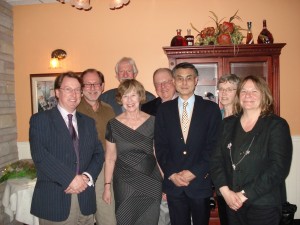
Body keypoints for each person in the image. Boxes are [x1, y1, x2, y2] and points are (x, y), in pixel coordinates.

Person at [210, 75, 293, 225]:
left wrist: (243, 195)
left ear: (264, 95)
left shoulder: (276, 125)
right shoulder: (227, 124)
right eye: (244, 91)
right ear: (238, 96)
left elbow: (278, 169)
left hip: (264, 204)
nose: (248, 96)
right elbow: (216, 160)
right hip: (231, 202)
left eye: (254, 91)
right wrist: (225, 192)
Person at [29, 72, 104, 225]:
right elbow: (40, 156)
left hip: (85, 198)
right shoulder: (40, 120)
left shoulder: (88, 122)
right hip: (55, 201)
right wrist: (70, 179)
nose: (74, 94)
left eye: (77, 89)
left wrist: (87, 177)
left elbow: (98, 153)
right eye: (68, 89)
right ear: (57, 92)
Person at [154, 62, 222, 225]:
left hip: (200, 182)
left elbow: (214, 146)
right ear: (174, 81)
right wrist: (171, 174)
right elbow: (161, 146)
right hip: (174, 184)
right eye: (180, 78)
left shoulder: (210, 109)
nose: (184, 83)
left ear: (196, 80)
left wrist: (194, 172)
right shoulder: (164, 110)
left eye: (189, 78)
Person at [102, 79, 162, 225]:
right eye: (125, 96)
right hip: (124, 182)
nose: (129, 100)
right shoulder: (113, 125)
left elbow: (158, 154)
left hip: (151, 180)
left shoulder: (154, 122)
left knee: (150, 220)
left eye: (133, 95)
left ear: (140, 96)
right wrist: (107, 186)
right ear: (120, 99)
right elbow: (110, 158)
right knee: (125, 219)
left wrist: (165, 181)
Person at [76, 69, 116, 225]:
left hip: (105, 168)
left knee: (107, 216)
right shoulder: (74, 107)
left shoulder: (109, 109)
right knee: (82, 217)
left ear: (103, 86)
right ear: (81, 87)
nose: (92, 88)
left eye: (96, 84)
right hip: (80, 168)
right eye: (88, 84)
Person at [141, 68, 176, 225]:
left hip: (187, 176)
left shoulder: (188, 104)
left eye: (166, 82)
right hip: (158, 175)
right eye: (158, 84)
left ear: (174, 81)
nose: (163, 87)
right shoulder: (146, 109)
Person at [215, 74, 241, 225]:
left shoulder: (244, 117)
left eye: (229, 89)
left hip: (239, 180)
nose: (224, 93)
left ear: (238, 92)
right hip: (220, 179)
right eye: (221, 89)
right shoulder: (215, 117)